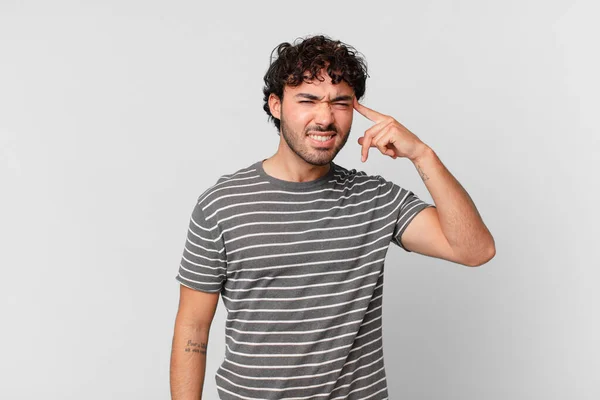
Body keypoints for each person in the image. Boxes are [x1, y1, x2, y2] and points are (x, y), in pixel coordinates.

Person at [170, 34, 495, 400]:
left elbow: (475, 250)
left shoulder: (374, 199)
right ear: (276, 105)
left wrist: (422, 155)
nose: (325, 117)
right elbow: (193, 328)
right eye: (308, 100)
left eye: (340, 103)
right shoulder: (222, 204)